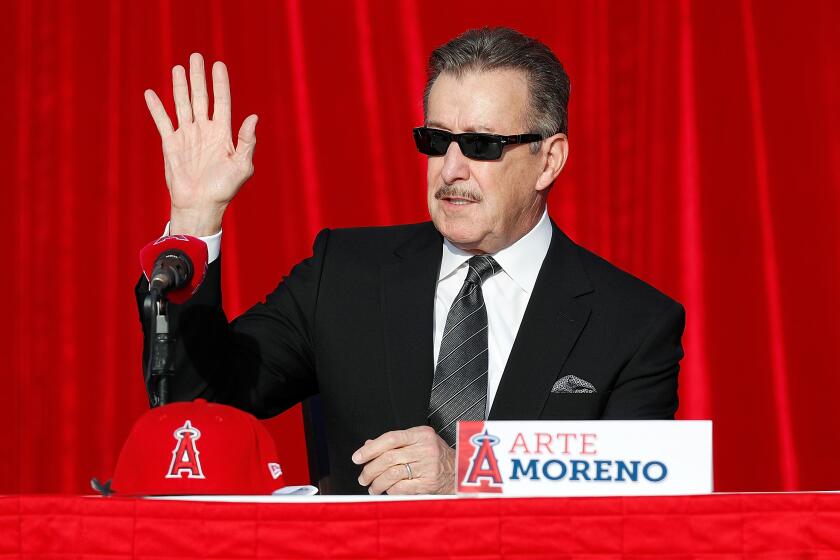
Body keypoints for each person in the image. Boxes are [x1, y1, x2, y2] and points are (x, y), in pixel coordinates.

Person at [137, 27, 685, 495]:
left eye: (481, 145)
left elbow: (639, 487)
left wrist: (470, 471)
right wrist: (194, 221)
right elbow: (203, 401)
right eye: (435, 140)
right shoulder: (345, 274)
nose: (450, 169)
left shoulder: (632, 322)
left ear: (550, 160)